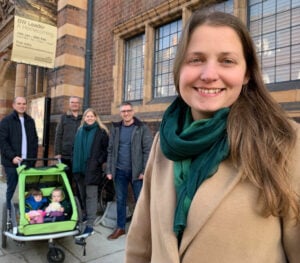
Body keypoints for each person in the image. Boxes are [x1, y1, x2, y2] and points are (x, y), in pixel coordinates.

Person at [125, 10, 300, 263]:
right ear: (179, 69)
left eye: (227, 61)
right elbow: (141, 240)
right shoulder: (164, 142)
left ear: (247, 73)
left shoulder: (285, 141)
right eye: (195, 59)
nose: (208, 74)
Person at [106, 102, 153, 240]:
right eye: (123, 111)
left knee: (140, 201)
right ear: (120, 113)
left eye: (128, 111)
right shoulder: (116, 128)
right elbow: (110, 150)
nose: (126, 113)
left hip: (137, 172)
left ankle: (141, 230)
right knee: (120, 199)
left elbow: (148, 151)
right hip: (119, 171)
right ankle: (120, 228)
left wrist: (144, 170)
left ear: (133, 112)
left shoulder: (141, 128)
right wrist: (109, 169)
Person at [72, 108, 109, 237]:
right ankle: (87, 216)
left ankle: (90, 225)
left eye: (91, 116)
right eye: (87, 116)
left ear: (95, 117)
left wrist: (98, 161)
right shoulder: (80, 131)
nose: (89, 118)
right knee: (82, 195)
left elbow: (106, 150)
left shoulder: (101, 132)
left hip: (92, 170)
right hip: (79, 169)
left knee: (91, 196)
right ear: (84, 118)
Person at [0, 96, 38, 213]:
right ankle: (9, 213)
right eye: (19, 103)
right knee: (12, 187)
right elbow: (3, 141)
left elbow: (34, 141)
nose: (22, 106)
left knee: (28, 188)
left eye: (24, 104)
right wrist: (12, 157)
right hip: (12, 162)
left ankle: (26, 211)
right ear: (14, 105)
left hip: (27, 161)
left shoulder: (30, 121)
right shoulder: (6, 121)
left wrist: (32, 159)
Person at [54, 96, 82, 193]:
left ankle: (79, 203)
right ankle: (67, 202)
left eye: (76, 102)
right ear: (69, 104)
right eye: (72, 102)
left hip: (80, 155)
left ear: (79, 104)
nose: (74, 104)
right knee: (66, 179)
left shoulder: (83, 118)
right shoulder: (64, 118)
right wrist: (57, 152)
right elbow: (58, 135)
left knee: (79, 180)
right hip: (66, 154)